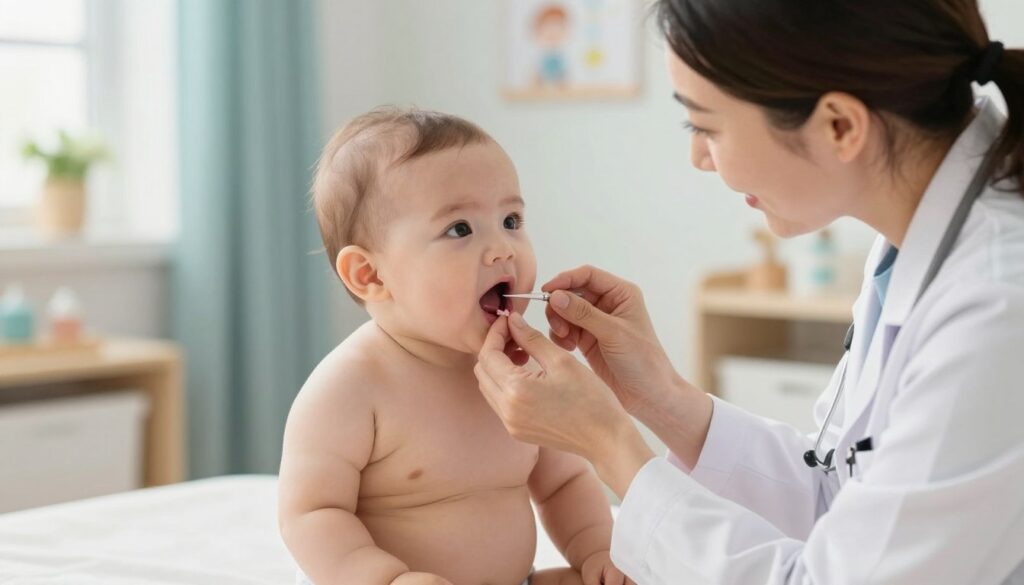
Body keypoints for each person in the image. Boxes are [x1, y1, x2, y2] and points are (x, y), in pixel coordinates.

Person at [475, 1, 1024, 583]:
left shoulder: (996, 302)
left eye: (706, 126)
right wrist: (659, 395)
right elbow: (840, 492)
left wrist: (608, 442)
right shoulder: (915, 243)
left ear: (840, 125)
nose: (699, 158)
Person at [278, 107, 629, 585]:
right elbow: (311, 513)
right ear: (371, 275)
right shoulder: (351, 387)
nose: (503, 247)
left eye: (511, 219)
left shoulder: (521, 378)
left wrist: (597, 552)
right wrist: (386, 578)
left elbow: (564, 482)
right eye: (460, 229)